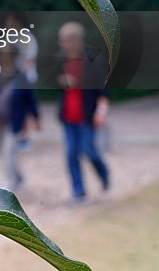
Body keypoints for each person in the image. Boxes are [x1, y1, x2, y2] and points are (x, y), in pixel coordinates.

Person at [56, 21, 110, 204]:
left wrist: (101, 112)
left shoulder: (93, 58)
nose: (62, 44)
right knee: (71, 153)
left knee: (89, 150)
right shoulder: (61, 59)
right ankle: (78, 192)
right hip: (69, 114)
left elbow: (102, 90)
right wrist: (62, 82)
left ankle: (103, 173)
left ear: (77, 39)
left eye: (65, 40)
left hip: (87, 113)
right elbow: (55, 82)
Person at [0, 46, 40, 192]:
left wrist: (36, 118)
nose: (4, 57)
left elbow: (30, 100)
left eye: (7, 54)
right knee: (3, 151)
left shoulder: (21, 77)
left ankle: (10, 183)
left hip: (15, 122)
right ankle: (19, 178)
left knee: (8, 151)